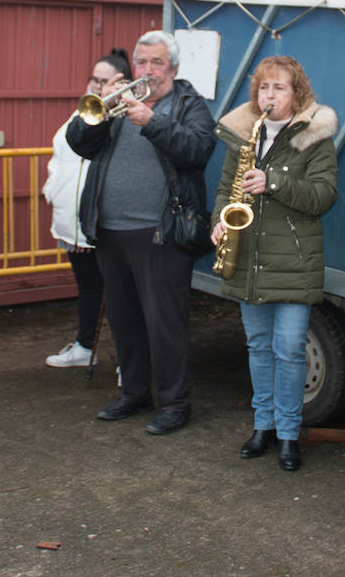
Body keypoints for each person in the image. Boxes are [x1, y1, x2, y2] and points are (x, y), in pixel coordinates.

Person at [66, 30, 215, 436]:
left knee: (164, 323)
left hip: (161, 233)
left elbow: (196, 150)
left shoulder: (189, 105)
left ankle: (174, 403)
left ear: (174, 69)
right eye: (142, 63)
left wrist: (153, 122)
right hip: (111, 230)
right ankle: (133, 393)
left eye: (157, 63)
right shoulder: (115, 105)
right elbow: (79, 143)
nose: (148, 71)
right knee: (124, 319)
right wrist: (101, 106)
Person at [211, 56, 337, 471]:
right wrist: (218, 224)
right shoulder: (245, 133)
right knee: (259, 348)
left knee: (289, 349)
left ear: (296, 93)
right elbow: (226, 189)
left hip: (295, 260)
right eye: (264, 88)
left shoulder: (315, 136)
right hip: (249, 257)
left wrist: (274, 183)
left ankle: (288, 434)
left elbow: (323, 196)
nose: (270, 95)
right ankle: (262, 426)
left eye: (279, 88)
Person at [42, 48, 130, 369]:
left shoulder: (120, 118)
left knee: (120, 293)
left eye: (104, 80)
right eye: (94, 78)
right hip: (71, 220)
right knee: (89, 287)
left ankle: (128, 359)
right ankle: (84, 346)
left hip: (99, 221)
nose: (96, 85)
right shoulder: (83, 112)